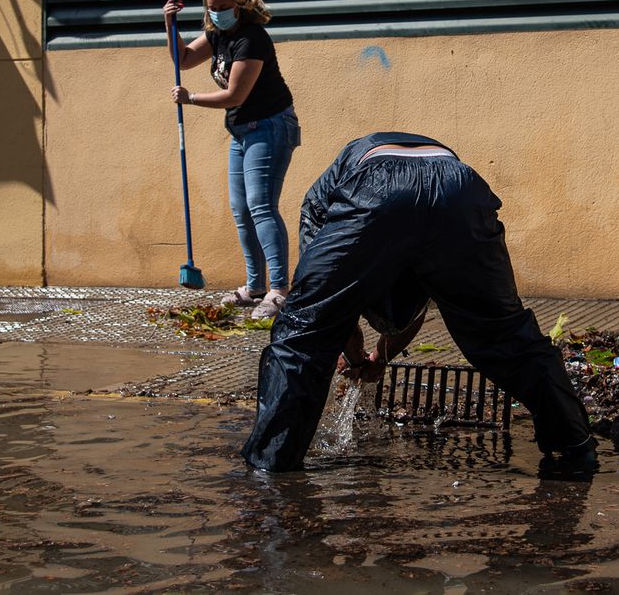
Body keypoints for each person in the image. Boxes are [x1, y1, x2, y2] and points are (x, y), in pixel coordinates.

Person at [240, 132, 598, 477]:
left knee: (302, 335)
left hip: (377, 183)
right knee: (506, 335)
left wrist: (353, 356)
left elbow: (325, 308)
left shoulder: (321, 203)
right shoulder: (397, 196)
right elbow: (421, 299)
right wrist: (379, 358)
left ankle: (272, 470)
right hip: (461, 190)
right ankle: (575, 449)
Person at [164, 0, 300, 321]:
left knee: (261, 206)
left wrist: (191, 98)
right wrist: (169, 22)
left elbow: (234, 95)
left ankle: (279, 290)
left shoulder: (251, 39)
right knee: (241, 208)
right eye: (212, 8)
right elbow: (183, 59)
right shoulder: (217, 33)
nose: (218, 13)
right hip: (243, 130)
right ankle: (255, 287)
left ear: (239, 3)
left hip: (270, 126)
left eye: (224, 7)